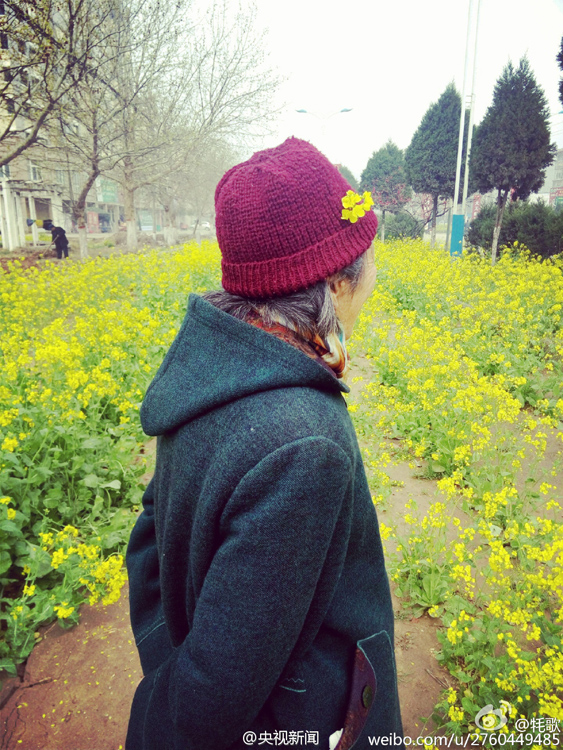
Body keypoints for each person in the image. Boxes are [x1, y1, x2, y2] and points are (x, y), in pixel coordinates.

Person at [125, 137, 404, 750]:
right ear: (336, 284)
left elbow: (148, 536)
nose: (373, 277)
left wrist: (164, 649)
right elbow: (212, 692)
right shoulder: (304, 445)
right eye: (368, 259)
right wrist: (161, 710)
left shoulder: (212, 369)